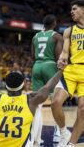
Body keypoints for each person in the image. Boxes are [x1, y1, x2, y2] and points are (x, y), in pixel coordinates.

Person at [0, 70, 64, 147]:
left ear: (6, 86)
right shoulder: (31, 100)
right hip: (22, 144)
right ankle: (36, 142)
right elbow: (48, 87)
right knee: (36, 111)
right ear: (23, 86)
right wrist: (61, 70)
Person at [51, 0, 84, 147]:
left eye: (75, 9)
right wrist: (61, 59)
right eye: (71, 9)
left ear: (83, 10)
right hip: (71, 70)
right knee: (55, 102)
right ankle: (64, 132)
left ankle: (71, 144)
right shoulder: (69, 31)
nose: (72, 11)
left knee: (82, 109)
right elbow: (65, 52)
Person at [31, 14, 63, 146]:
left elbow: (33, 55)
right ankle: (57, 133)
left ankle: (35, 138)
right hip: (50, 66)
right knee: (56, 101)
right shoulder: (56, 36)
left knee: (36, 104)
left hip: (37, 66)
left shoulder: (35, 36)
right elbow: (59, 57)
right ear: (54, 23)